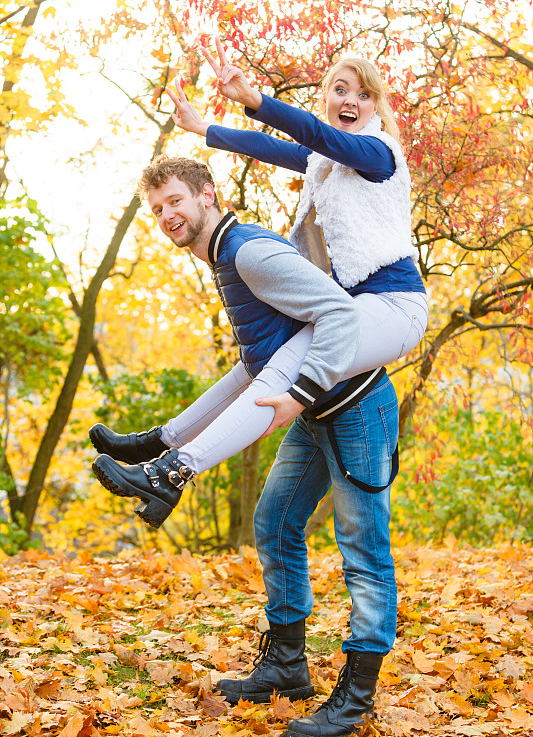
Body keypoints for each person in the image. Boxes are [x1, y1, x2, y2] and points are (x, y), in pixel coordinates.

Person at [92, 154, 401, 735]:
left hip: (357, 407)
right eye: (157, 209)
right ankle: (286, 666)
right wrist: (167, 436)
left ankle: (356, 699)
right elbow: (255, 365)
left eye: (176, 201)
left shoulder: (249, 252)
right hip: (315, 415)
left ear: (207, 194)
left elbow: (340, 312)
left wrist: (303, 390)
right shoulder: (224, 261)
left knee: (363, 551)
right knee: (274, 522)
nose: (166, 216)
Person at [90, 38, 427, 495]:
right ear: (327, 96)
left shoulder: (378, 153)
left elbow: (316, 135)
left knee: (286, 362)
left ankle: (173, 472)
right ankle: (159, 444)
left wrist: (255, 100)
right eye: (341, 90)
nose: (351, 101)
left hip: (395, 306)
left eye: (364, 95)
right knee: (258, 363)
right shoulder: (325, 164)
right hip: (359, 307)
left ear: (374, 107)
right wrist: (202, 128)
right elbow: (269, 148)